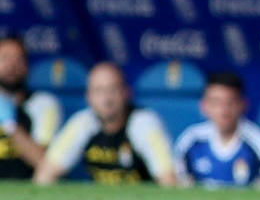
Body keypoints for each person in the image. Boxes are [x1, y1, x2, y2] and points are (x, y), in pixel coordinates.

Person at [35, 62, 177, 185]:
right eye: (98, 91)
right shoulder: (83, 122)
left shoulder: (143, 123)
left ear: (126, 93)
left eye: (112, 90)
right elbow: (44, 175)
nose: (106, 99)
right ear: (88, 96)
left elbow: (169, 180)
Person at [174, 71, 260, 187]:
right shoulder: (191, 140)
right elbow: (180, 184)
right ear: (204, 106)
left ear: (243, 104)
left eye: (230, 102)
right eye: (216, 102)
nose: (223, 111)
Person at [0, 35, 62, 179]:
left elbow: (43, 164)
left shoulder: (43, 104)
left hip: (27, 192)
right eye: (4, 58)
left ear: (27, 66)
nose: (12, 65)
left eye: (18, 59)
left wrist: (10, 124)